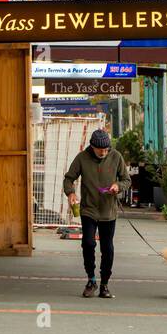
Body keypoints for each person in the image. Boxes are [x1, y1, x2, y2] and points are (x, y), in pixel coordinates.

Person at [63, 128, 131, 299]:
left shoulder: (116, 157)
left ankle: (105, 284)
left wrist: (118, 186)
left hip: (109, 210)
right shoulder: (82, 158)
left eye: (106, 149)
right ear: (92, 146)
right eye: (100, 149)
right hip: (89, 209)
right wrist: (71, 192)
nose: (103, 152)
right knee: (88, 243)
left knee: (107, 248)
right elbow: (69, 178)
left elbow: (126, 180)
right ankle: (91, 279)